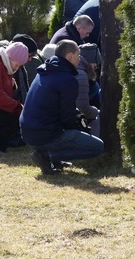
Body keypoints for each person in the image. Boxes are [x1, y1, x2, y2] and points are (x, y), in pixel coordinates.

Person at [20, 39, 104, 175]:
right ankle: (48, 155)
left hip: (28, 130)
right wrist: (80, 129)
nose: (80, 58)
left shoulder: (45, 70)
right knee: (98, 146)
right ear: (70, 56)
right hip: (45, 132)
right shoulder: (67, 79)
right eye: (78, 55)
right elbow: (67, 116)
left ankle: (51, 154)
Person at [76, 43, 102, 136]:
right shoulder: (81, 77)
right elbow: (83, 108)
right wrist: (98, 112)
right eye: (95, 65)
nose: (96, 68)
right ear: (91, 63)